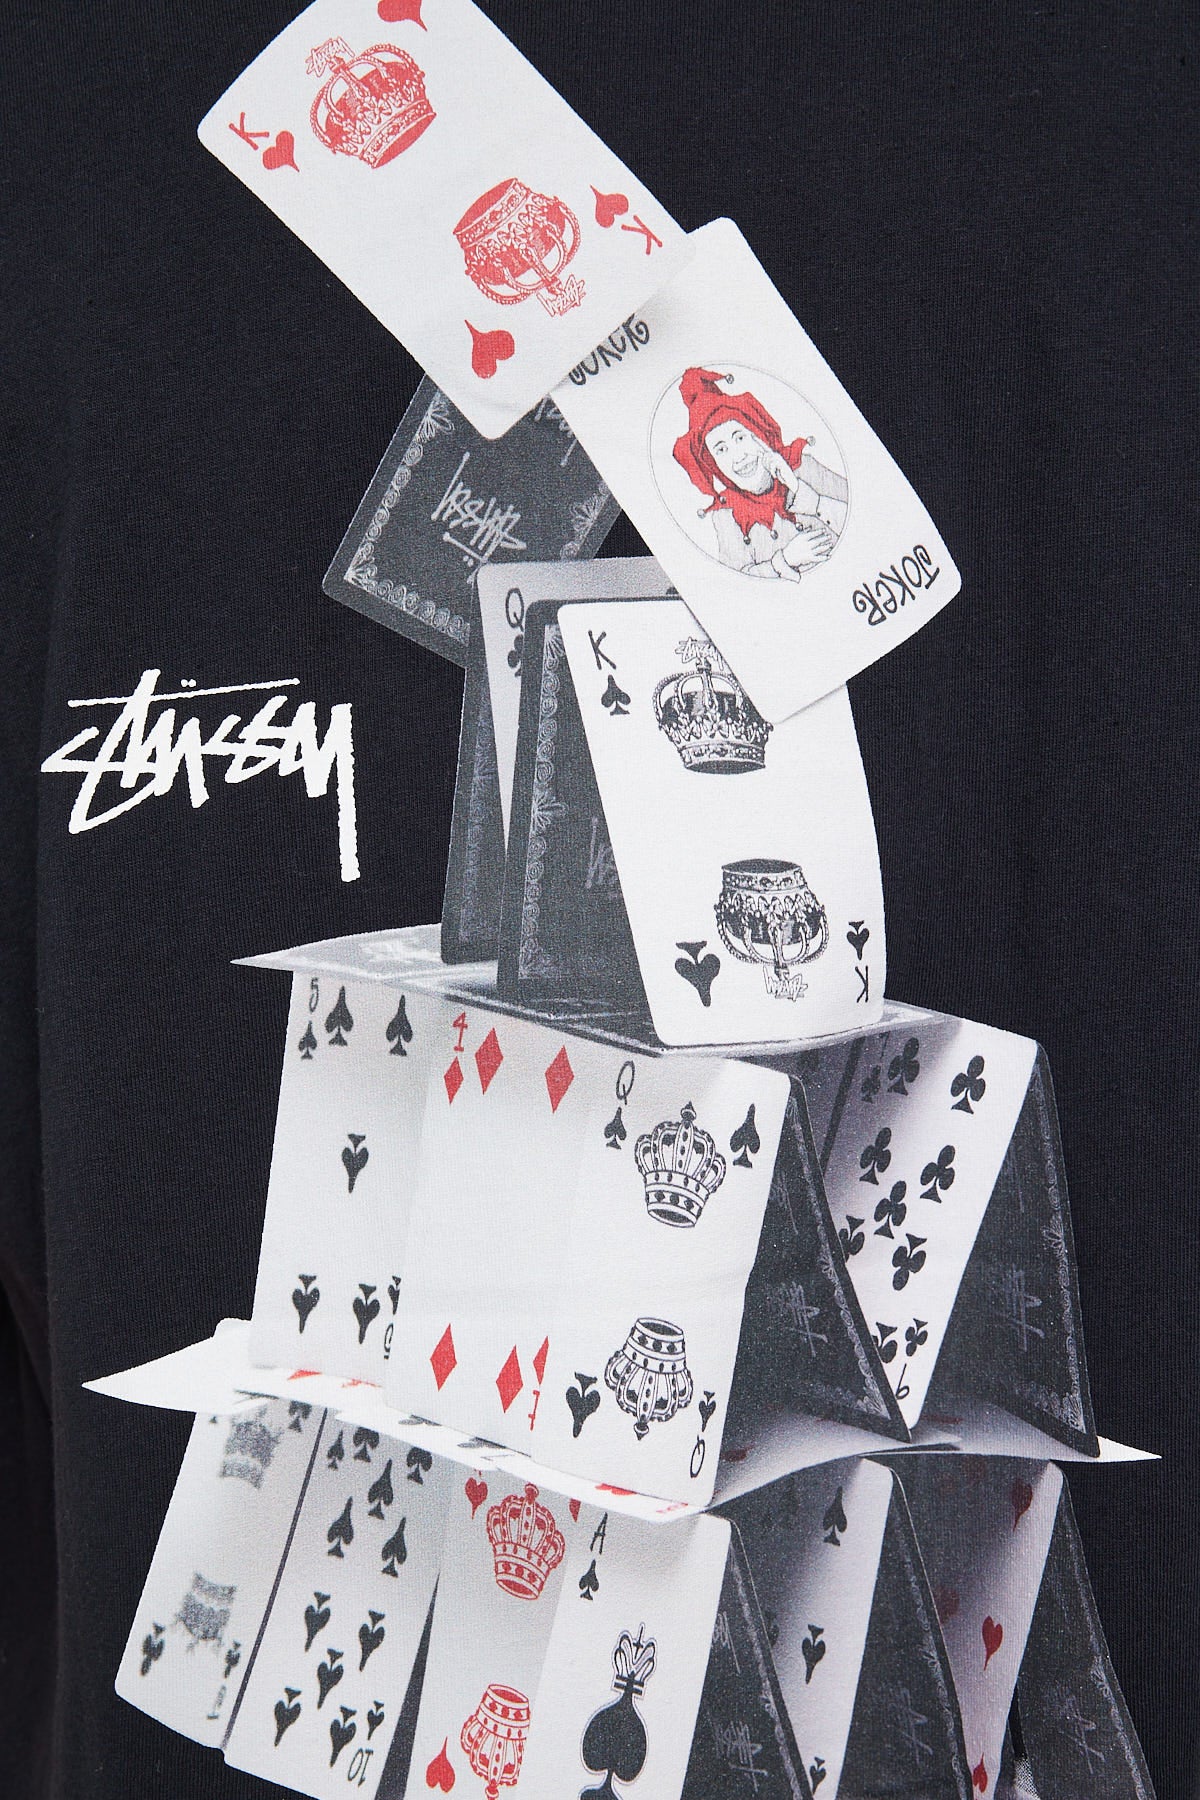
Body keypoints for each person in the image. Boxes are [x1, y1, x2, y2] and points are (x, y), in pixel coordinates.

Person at [671, 366, 849, 579]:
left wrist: (804, 494)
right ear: (714, 466)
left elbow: (868, 517)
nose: (738, 457)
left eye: (740, 438)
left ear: (759, 434)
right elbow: (737, 582)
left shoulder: (805, 467)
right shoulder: (726, 514)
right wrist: (784, 561)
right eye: (721, 450)